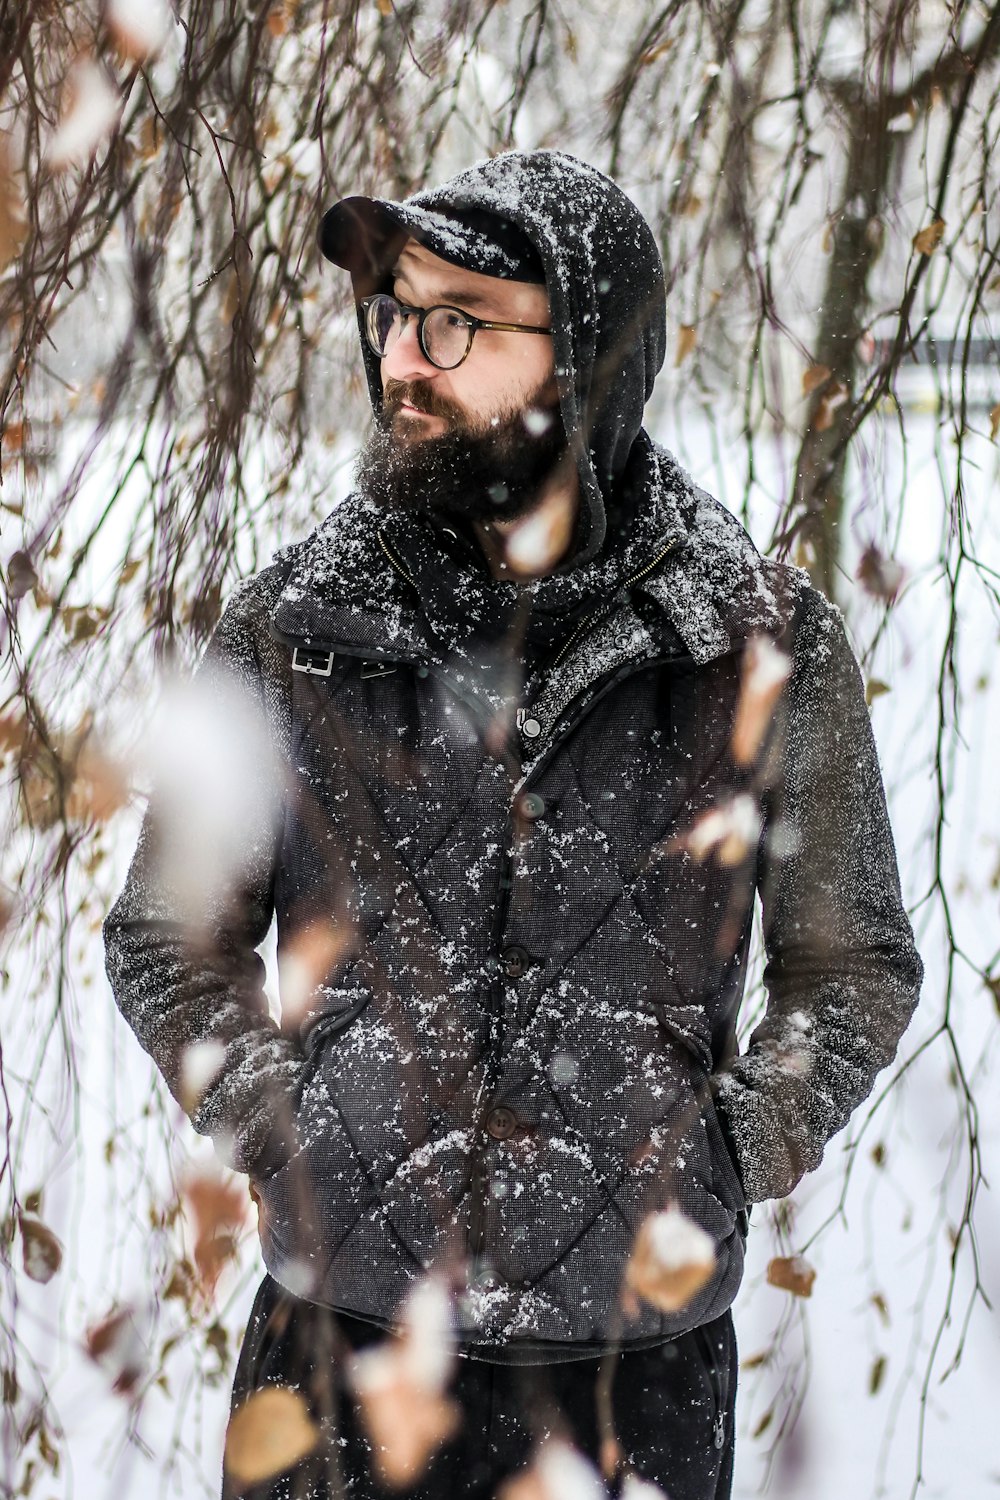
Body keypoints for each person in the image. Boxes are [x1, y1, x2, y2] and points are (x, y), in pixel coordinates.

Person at [103, 149, 924, 1499]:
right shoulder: (292, 629)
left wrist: (735, 1149)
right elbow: (161, 937)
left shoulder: (756, 641)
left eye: (454, 322)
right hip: (338, 1349)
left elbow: (855, 966)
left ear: (589, 361)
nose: (402, 363)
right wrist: (285, 1131)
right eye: (391, 315)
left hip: (630, 1379)